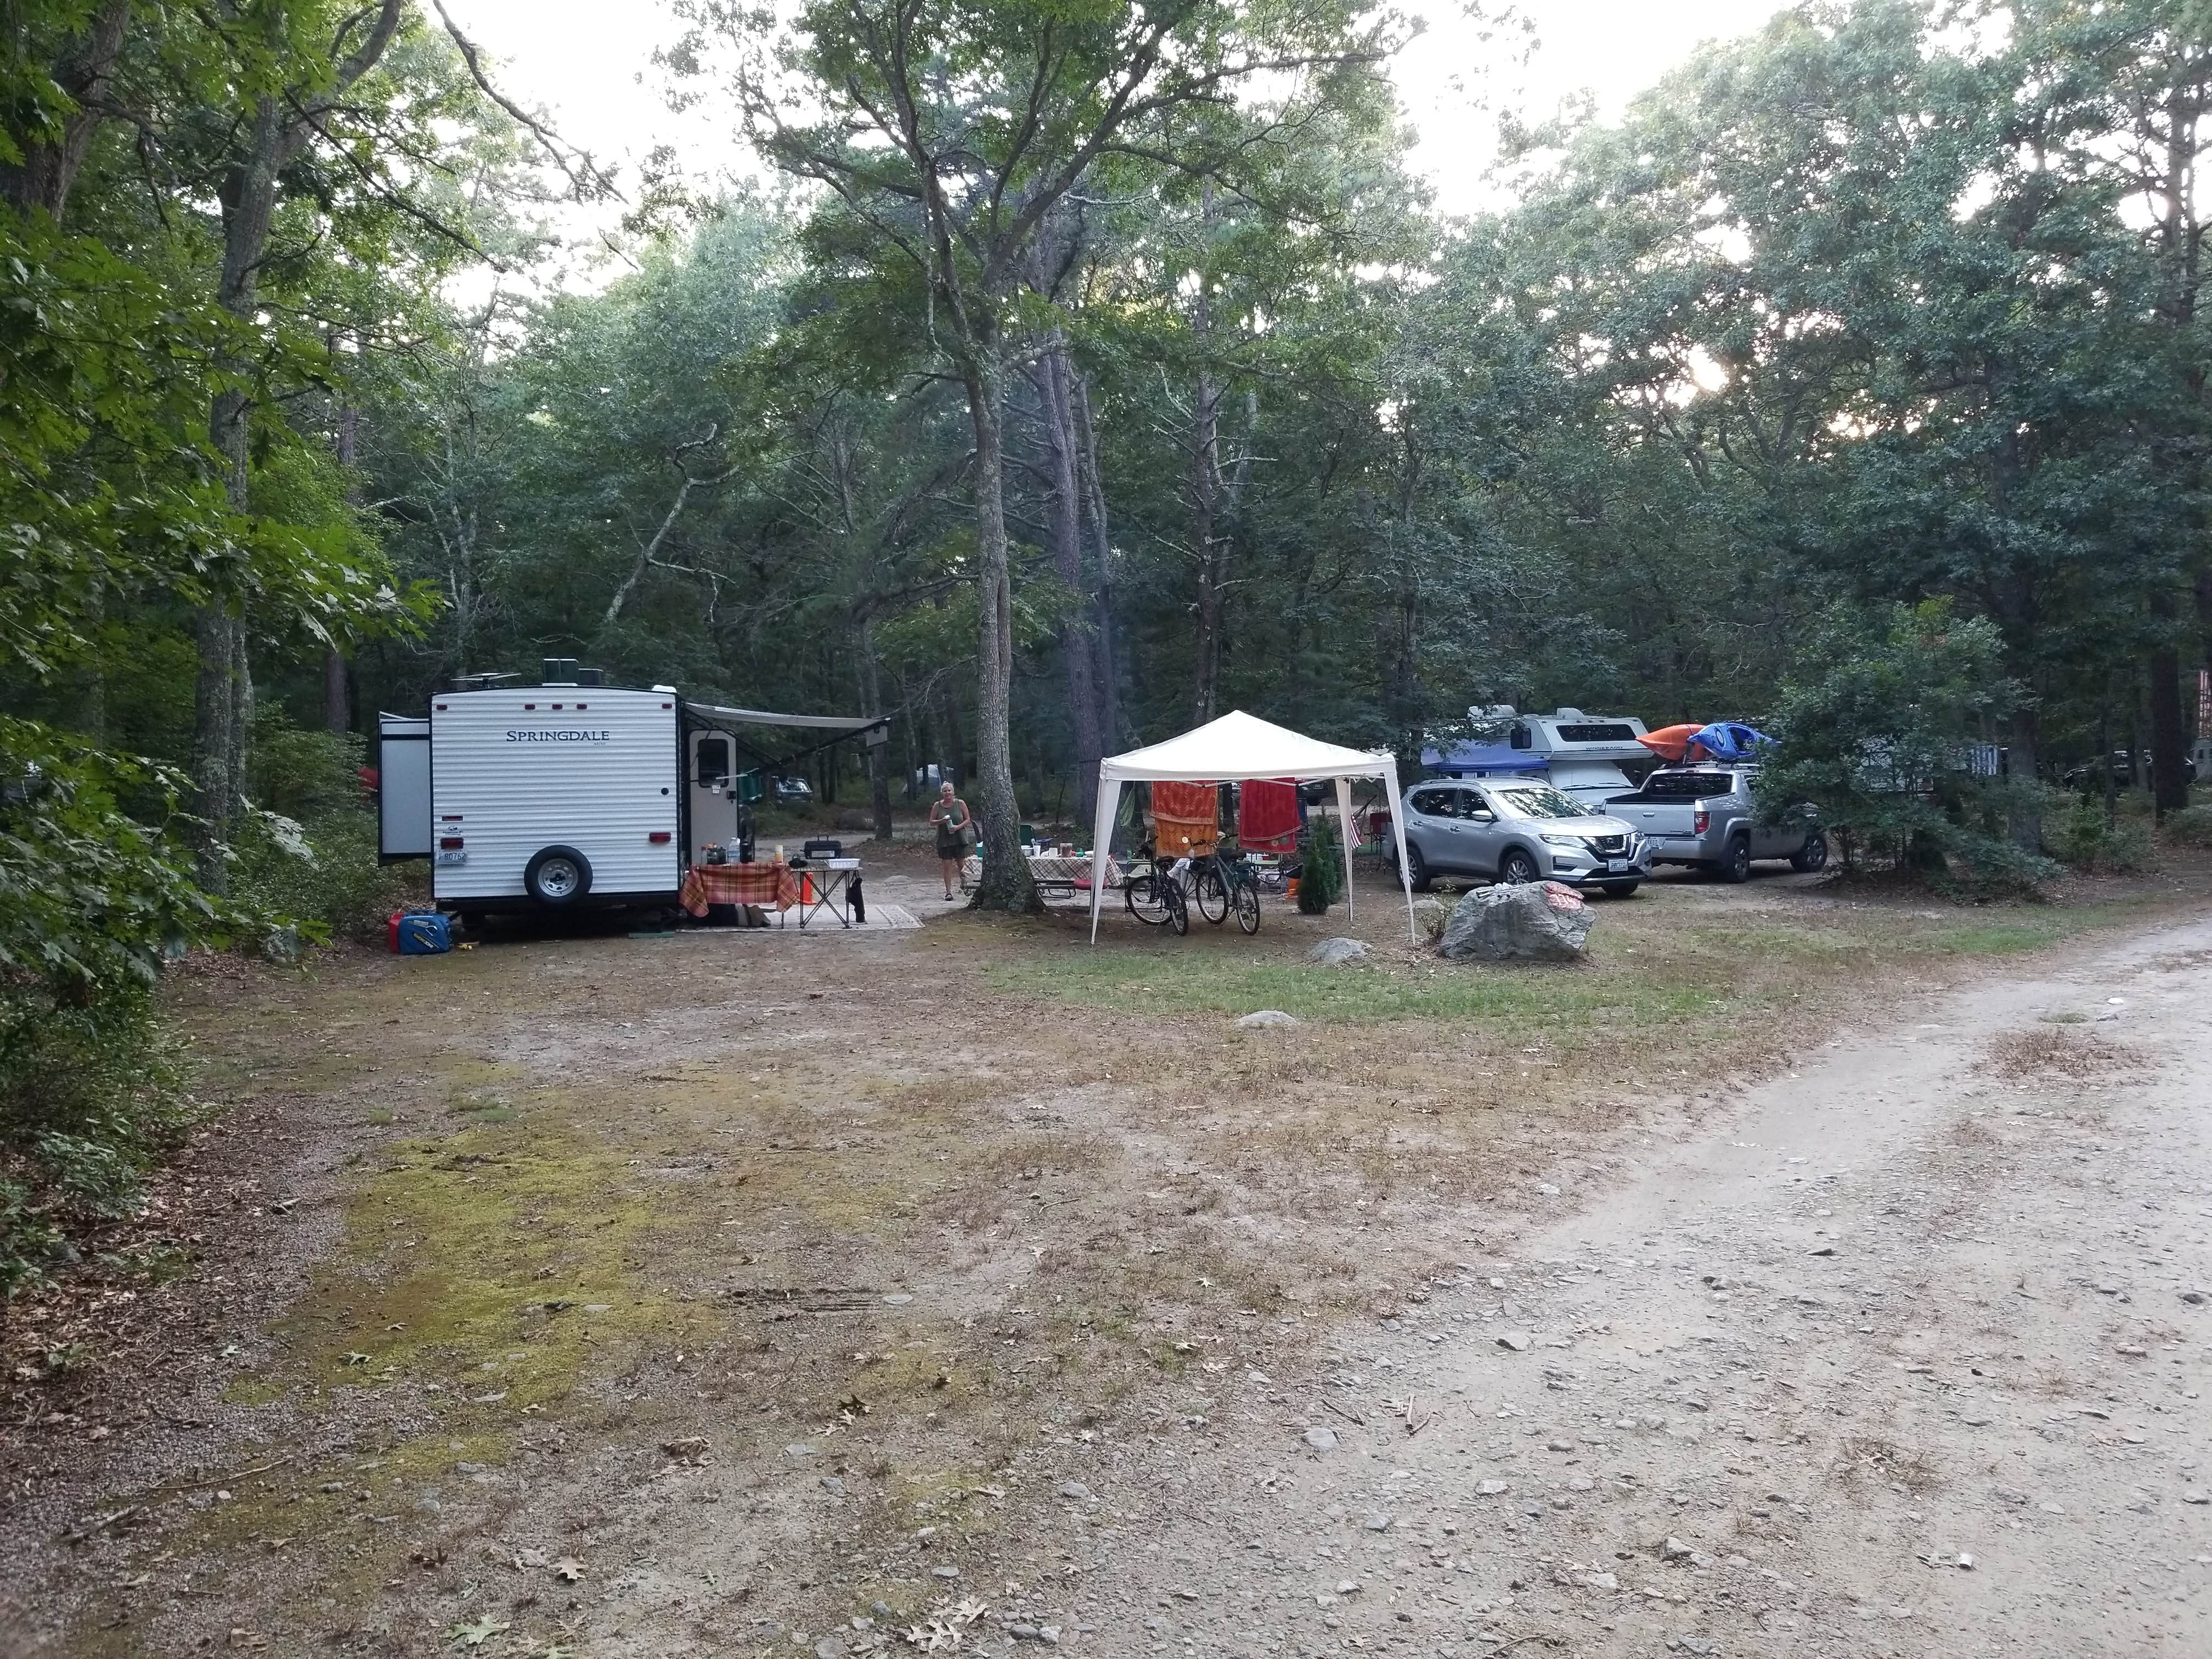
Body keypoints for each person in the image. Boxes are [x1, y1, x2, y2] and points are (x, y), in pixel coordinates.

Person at [929, 780, 972, 900]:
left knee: (962, 866)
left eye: (949, 790)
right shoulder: (938, 805)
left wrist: (957, 827)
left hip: (959, 838)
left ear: (953, 792)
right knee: (947, 866)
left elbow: (967, 819)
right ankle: (948, 892)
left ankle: (965, 886)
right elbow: (931, 822)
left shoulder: (960, 803)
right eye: (945, 791)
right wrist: (942, 821)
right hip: (944, 839)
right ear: (942, 793)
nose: (947, 793)